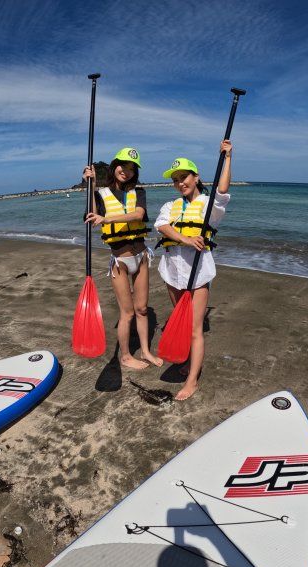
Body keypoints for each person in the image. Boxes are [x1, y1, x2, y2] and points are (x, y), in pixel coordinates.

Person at [154, 140, 233, 400]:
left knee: (195, 329)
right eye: (175, 179)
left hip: (198, 276)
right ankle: (186, 361)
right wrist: (186, 239)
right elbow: (162, 227)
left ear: (195, 176)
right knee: (181, 322)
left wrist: (227, 157)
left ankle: (192, 381)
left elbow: (223, 191)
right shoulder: (170, 206)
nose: (180, 183)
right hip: (172, 273)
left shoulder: (210, 205)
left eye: (184, 177)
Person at [83, 148, 163, 369]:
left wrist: (106, 219)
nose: (126, 171)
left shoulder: (139, 192)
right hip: (120, 261)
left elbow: (138, 215)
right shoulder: (102, 195)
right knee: (127, 313)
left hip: (142, 257)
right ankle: (126, 356)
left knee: (143, 309)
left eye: (131, 168)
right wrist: (90, 185)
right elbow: (91, 216)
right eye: (122, 166)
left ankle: (145, 351)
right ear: (114, 166)